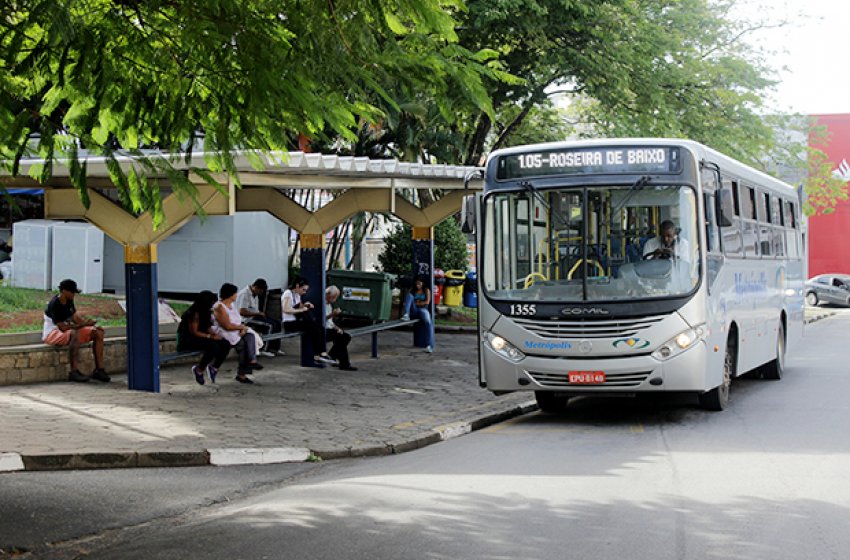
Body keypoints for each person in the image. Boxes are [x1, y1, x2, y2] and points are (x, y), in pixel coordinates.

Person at [42, 279, 109, 383]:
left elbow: (75, 318)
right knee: (74, 333)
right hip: (52, 333)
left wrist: (90, 326)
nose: (74, 294)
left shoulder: (69, 300)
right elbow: (62, 328)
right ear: (64, 291)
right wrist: (84, 325)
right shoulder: (55, 304)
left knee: (98, 332)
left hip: (66, 330)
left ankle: (99, 370)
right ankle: (74, 371)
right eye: (72, 292)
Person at [176, 290, 231, 385]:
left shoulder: (206, 312)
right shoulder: (194, 313)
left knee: (225, 344)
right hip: (188, 339)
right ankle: (199, 370)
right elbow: (194, 332)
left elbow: (207, 327)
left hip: (201, 336)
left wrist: (215, 335)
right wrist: (210, 337)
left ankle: (214, 367)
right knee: (213, 347)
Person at [213, 283, 261, 384]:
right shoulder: (219, 307)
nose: (236, 295)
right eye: (235, 293)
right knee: (243, 346)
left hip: (236, 331)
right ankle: (242, 373)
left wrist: (242, 328)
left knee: (250, 336)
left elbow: (238, 321)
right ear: (230, 294)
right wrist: (241, 327)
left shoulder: (232, 305)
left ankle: (252, 361)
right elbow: (227, 326)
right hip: (225, 333)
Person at [281, 276, 328, 367]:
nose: (304, 292)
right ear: (297, 286)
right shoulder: (288, 294)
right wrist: (301, 310)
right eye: (303, 289)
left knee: (319, 328)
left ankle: (322, 352)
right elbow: (286, 309)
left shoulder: (297, 295)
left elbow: (300, 306)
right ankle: (316, 353)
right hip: (289, 323)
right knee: (313, 328)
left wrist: (306, 305)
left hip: (297, 321)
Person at [236, 278, 284, 358]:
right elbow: (242, 312)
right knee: (269, 326)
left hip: (254, 316)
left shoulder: (255, 294)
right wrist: (257, 313)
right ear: (256, 287)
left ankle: (275, 348)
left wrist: (259, 314)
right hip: (246, 320)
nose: (261, 293)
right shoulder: (244, 294)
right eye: (260, 291)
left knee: (277, 323)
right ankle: (265, 349)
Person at [324, 285, 357, 371]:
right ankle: (343, 363)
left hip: (329, 328)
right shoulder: (322, 304)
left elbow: (330, 322)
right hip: (322, 330)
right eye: (334, 297)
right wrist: (333, 314)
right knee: (342, 338)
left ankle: (333, 356)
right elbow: (321, 320)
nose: (335, 299)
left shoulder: (329, 305)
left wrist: (336, 327)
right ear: (328, 295)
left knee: (345, 337)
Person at [401, 276, 434, 353]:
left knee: (428, 322)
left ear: (423, 284)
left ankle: (429, 345)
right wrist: (415, 302)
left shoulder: (426, 290)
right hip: (414, 309)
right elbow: (408, 299)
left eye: (419, 284)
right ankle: (406, 314)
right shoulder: (413, 290)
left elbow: (427, 302)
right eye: (416, 284)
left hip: (423, 309)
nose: (417, 285)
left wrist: (418, 302)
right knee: (409, 295)